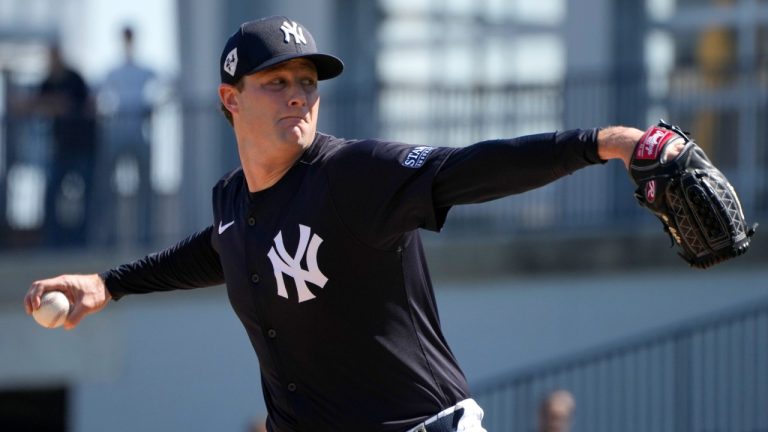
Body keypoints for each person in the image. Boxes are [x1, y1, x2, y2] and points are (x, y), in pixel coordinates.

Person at [23, 16, 682, 432]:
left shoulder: (354, 175)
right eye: (275, 82)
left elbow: (469, 168)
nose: (297, 95)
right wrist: (109, 284)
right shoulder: (233, 203)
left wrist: (604, 142)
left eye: (306, 80)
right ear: (230, 100)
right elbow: (220, 250)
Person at [20, 45, 96, 246]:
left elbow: (84, 105)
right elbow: (36, 104)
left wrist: (62, 106)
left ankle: (83, 241)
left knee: (86, 197)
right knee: (51, 194)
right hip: (60, 149)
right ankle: (52, 241)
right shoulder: (47, 83)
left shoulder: (75, 79)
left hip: (83, 147)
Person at [94, 26, 158, 246]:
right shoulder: (114, 71)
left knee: (144, 189)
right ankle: (110, 236)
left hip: (138, 132)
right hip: (118, 132)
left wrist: (153, 106)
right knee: (109, 187)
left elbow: (170, 85)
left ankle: (144, 236)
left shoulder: (143, 70)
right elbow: (97, 93)